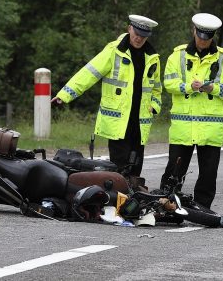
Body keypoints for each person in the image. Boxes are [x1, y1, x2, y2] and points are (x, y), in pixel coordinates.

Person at [51, 15, 162, 176]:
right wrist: (66, 94)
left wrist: (155, 106)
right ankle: (119, 198)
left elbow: (157, 89)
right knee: (119, 169)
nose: (139, 38)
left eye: (144, 36)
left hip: (140, 122)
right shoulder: (113, 50)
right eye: (137, 33)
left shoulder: (152, 57)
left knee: (136, 168)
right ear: (129, 28)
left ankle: (134, 198)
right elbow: (89, 73)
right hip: (118, 121)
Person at [159, 13, 223, 209]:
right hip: (183, 126)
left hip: (210, 128)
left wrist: (213, 88)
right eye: (200, 37)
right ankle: (166, 205)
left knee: (208, 172)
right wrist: (189, 87)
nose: (203, 42)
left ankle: (202, 208)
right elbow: (168, 83)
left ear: (213, 37)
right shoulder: (177, 55)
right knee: (174, 169)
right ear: (194, 31)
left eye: (208, 38)